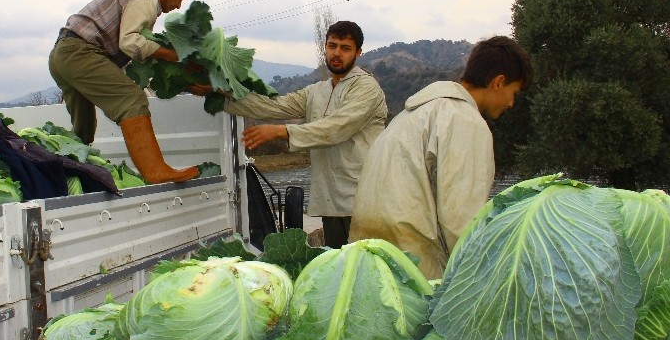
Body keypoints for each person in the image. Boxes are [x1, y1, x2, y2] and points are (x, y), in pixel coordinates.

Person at [349, 35, 533, 279]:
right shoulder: (465, 120)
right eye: (514, 93)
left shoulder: (409, 115)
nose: (511, 103)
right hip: (413, 267)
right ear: (498, 82)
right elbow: (461, 221)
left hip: (364, 256)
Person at [194, 21, 387, 248]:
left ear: (358, 53)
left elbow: (336, 128)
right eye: (332, 45)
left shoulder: (366, 88)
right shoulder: (317, 91)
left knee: (370, 267)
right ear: (324, 47)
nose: (336, 53)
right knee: (341, 267)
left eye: (345, 48)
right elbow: (275, 106)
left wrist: (282, 131)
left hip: (365, 197)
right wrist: (220, 92)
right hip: (333, 199)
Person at [48, 0, 199, 184]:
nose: (179, 6)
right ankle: (156, 171)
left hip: (62, 55)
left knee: (84, 129)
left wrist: (183, 80)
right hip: (81, 52)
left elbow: (131, 58)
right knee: (132, 100)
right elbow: (130, 43)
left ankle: (62, 174)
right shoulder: (146, 1)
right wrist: (173, 55)